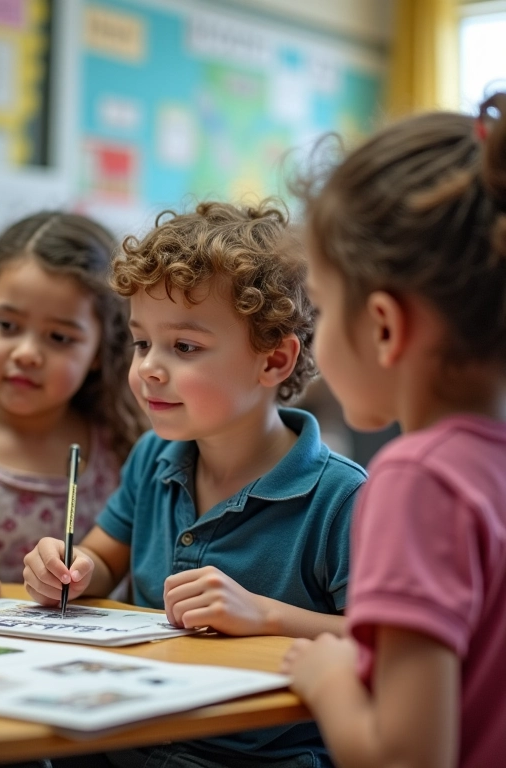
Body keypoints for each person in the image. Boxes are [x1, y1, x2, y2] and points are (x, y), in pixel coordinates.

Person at [25, 201, 367, 768]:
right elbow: (105, 558)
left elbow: (384, 645)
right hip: (128, 737)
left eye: (183, 347)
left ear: (274, 360)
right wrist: (72, 565)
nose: (149, 369)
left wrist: (268, 616)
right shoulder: (153, 457)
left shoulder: (342, 499)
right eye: (141, 343)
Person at [281, 95, 506, 768]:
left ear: (383, 325)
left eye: (317, 307)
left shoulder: (419, 479)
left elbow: (405, 759)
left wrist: (329, 683)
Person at [0, 212, 145, 583]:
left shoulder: (124, 448)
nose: (26, 353)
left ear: (100, 351)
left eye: (59, 337)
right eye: (7, 326)